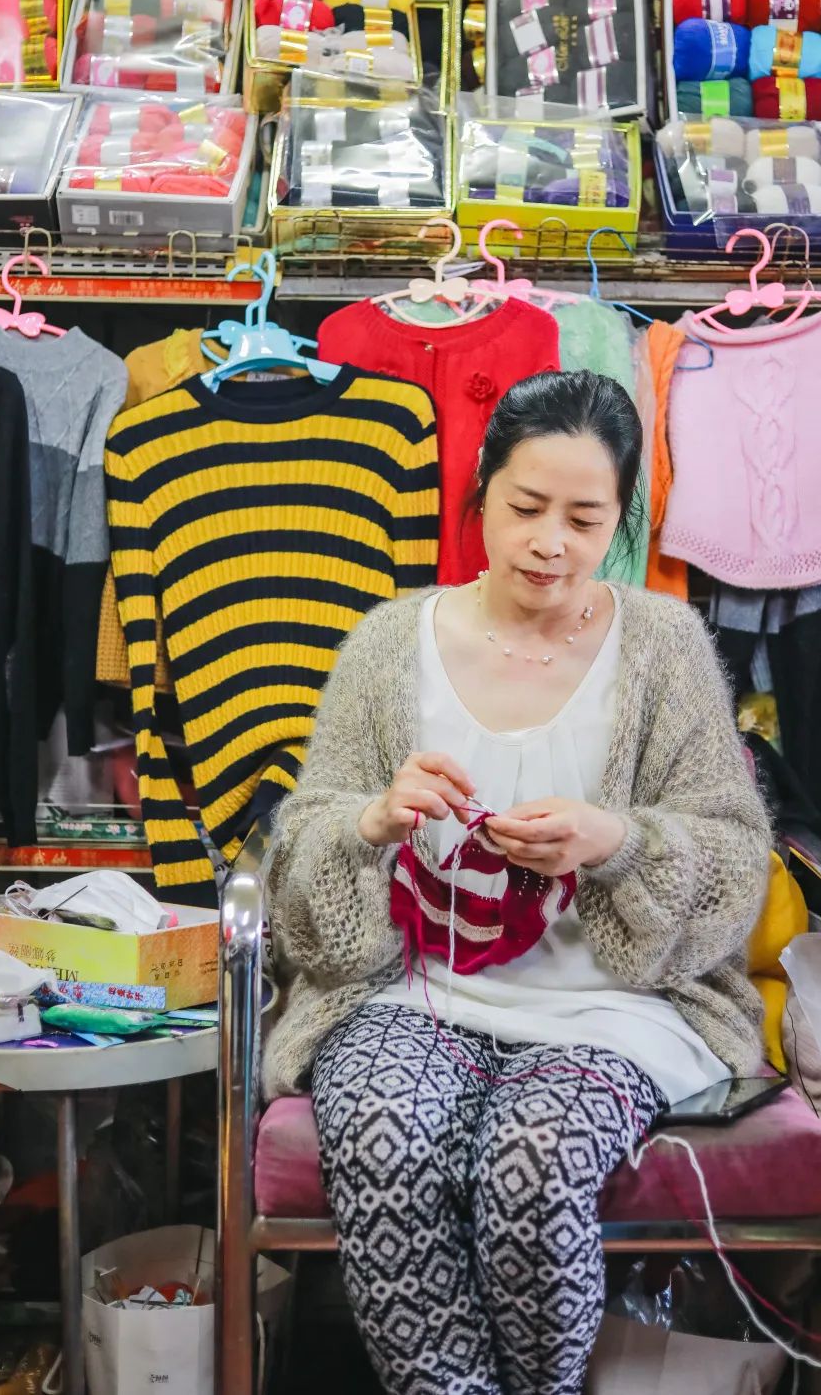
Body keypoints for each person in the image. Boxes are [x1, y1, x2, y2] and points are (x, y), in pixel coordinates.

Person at [264, 370, 772, 1395]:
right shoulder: (390, 644)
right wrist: (371, 821)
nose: (551, 543)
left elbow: (733, 856)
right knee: (386, 1142)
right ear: (480, 490)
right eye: (527, 507)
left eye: (586, 520)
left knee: (534, 1166)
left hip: (617, 1008)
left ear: (622, 520)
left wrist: (616, 839)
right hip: (413, 995)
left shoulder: (663, 647)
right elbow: (303, 859)